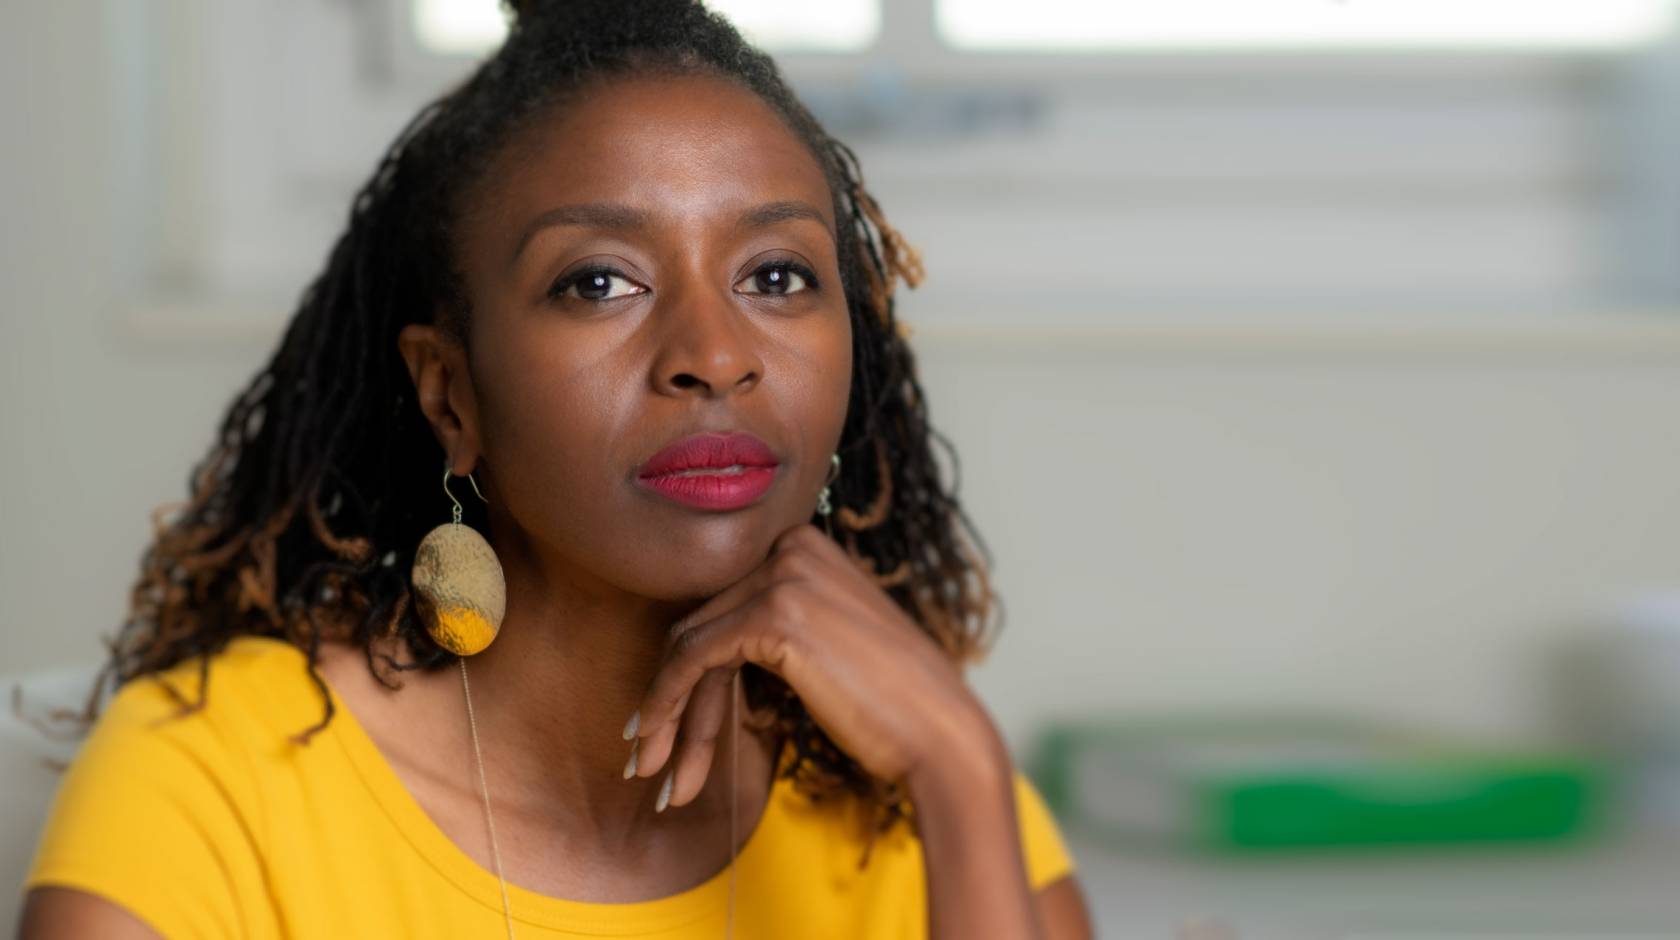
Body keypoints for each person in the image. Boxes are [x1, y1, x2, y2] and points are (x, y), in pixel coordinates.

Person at [18, 1, 1094, 936]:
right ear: (451, 394)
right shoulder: (214, 790)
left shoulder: (929, 777)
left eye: (775, 274)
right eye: (598, 284)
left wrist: (958, 771)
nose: (715, 357)